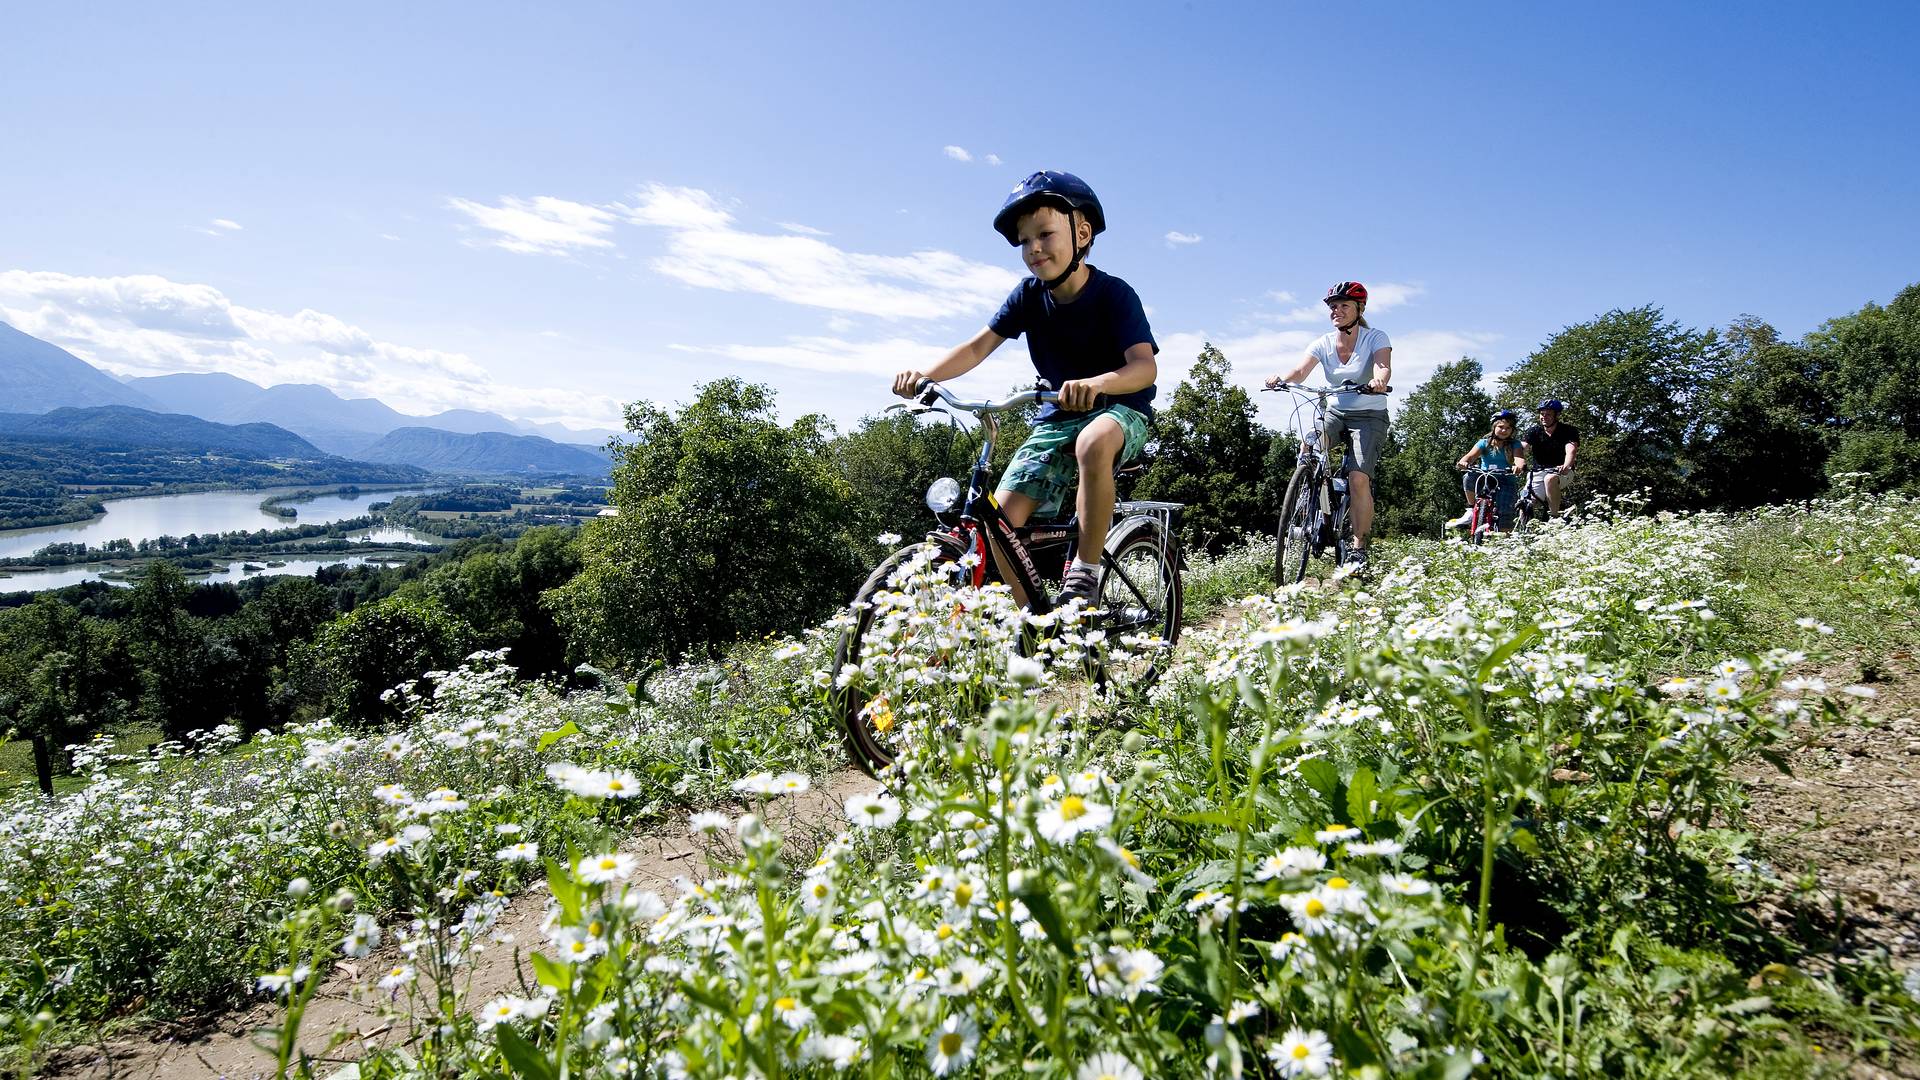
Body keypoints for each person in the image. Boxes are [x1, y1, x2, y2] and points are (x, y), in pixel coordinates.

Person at [891, 170, 1157, 606]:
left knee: (1093, 442)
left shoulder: (1114, 294)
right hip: (1056, 416)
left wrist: (1096, 383)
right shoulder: (1028, 296)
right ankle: (1034, 619)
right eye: (1024, 241)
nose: (1033, 247)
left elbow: (1143, 368)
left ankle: (1086, 574)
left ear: (1082, 232)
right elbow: (977, 347)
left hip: (1120, 410)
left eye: (1045, 234)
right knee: (1000, 519)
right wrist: (926, 375)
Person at [1263, 281, 1393, 568]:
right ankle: (1312, 499)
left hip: (1369, 415)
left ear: (1360, 309)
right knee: (1310, 445)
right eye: (1333, 306)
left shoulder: (1375, 338)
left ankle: (1359, 547)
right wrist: (1282, 380)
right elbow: (1301, 370)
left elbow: (1382, 365)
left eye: (1344, 305)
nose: (1337, 310)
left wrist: (1379, 381)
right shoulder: (1322, 343)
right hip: (1334, 411)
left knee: (1358, 479)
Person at [1450, 409, 1528, 533]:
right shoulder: (1484, 443)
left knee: (1505, 513)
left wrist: (1518, 466)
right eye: (1501, 427)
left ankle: (1505, 542)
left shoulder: (1515, 444)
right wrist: (1464, 462)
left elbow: (1519, 458)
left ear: (1512, 430)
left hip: (1505, 479)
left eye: (1508, 428)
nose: (1504, 430)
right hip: (1485, 477)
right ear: (1494, 427)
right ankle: (1471, 509)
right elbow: (1469, 456)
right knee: (1468, 476)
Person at [1522, 398, 1579, 515]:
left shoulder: (1568, 431)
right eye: (1542, 414)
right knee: (1527, 502)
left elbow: (1571, 450)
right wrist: (1518, 461)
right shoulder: (1534, 431)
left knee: (1550, 479)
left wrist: (1566, 466)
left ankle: (1554, 518)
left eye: (1548, 414)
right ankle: (1522, 529)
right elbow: (1522, 448)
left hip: (1562, 471)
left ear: (1556, 415)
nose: (1544, 417)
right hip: (1538, 471)